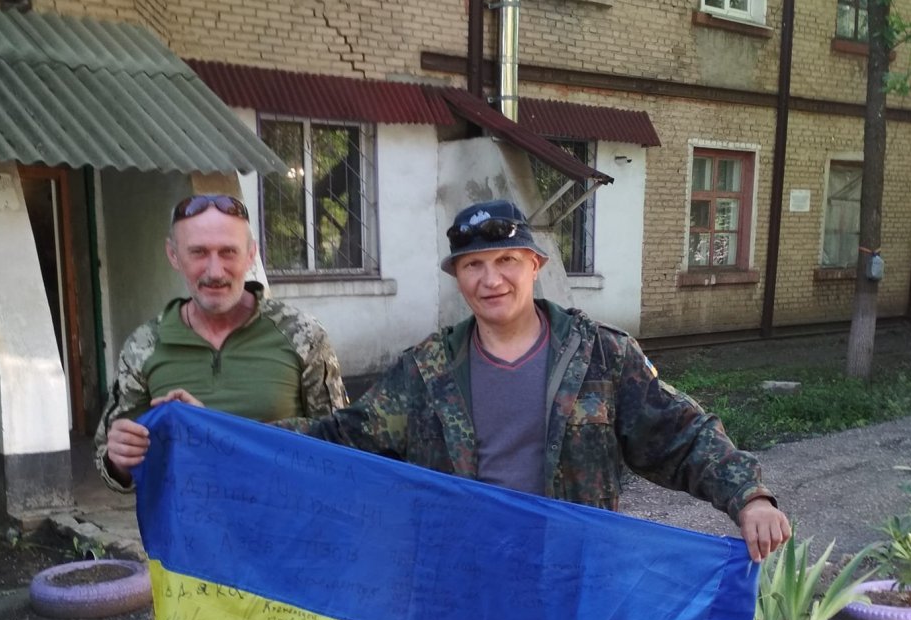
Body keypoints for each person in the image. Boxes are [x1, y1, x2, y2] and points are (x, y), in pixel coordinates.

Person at [275, 199, 791, 562]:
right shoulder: (427, 371)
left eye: (506, 260)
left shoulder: (600, 356)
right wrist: (230, 435)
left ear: (535, 265)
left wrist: (749, 496)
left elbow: (682, 436)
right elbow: (342, 438)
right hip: (459, 583)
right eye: (473, 265)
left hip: (571, 580)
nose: (491, 279)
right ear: (457, 276)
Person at [94, 192, 348, 620]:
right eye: (199, 252)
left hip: (286, 572)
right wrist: (120, 454)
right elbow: (111, 451)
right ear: (174, 256)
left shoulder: (300, 337)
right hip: (193, 576)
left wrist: (229, 436)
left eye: (228, 251)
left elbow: (344, 446)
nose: (214, 268)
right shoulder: (147, 345)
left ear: (251, 254)